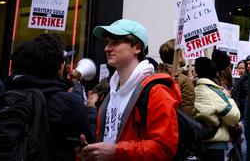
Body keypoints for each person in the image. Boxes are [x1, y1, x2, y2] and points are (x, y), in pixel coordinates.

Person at [77, 19, 181, 161]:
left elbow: (164, 148)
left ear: (137, 48)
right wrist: (91, 148)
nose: (107, 48)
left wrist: (116, 151)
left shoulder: (157, 91)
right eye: (107, 42)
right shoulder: (109, 91)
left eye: (116, 42)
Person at [6, 33, 91, 160]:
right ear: (57, 67)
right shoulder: (65, 102)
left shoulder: (8, 94)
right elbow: (90, 137)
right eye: (63, 62)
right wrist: (91, 107)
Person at [193, 57, 241, 161]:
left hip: (199, 146)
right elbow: (234, 116)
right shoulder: (215, 92)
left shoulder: (194, 90)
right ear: (213, 73)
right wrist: (228, 96)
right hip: (216, 147)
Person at [157, 38, 196, 116]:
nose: (185, 55)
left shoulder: (155, 75)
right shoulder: (184, 81)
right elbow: (187, 112)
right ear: (179, 57)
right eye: (183, 53)